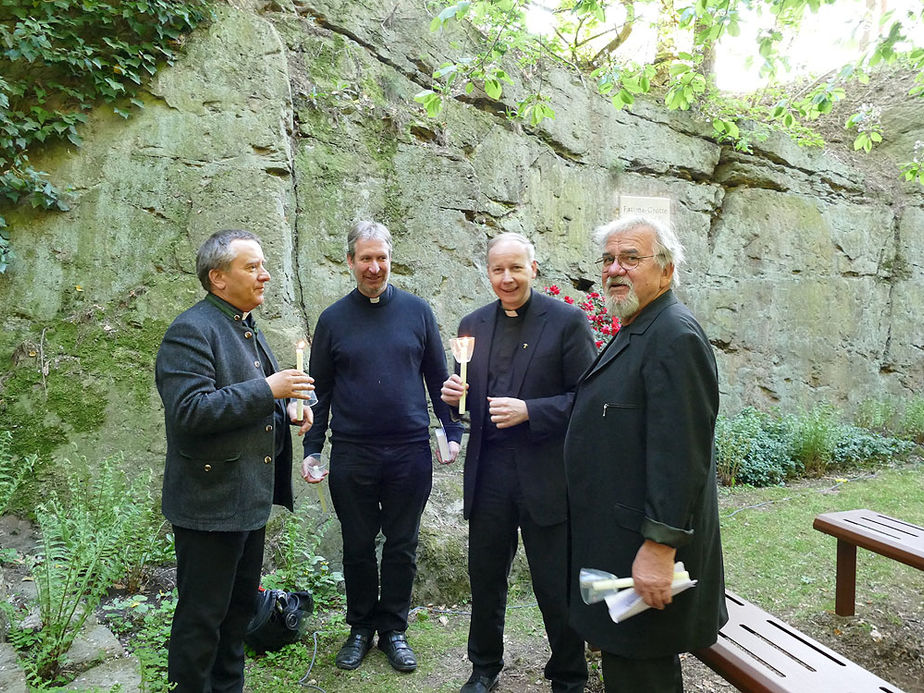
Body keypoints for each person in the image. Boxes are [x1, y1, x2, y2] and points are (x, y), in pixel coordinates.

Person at [564, 215, 727, 692]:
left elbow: (682, 456)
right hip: (620, 539)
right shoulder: (636, 326)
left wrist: (659, 548)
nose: (616, 268)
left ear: (666, 270)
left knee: (643, 672)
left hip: (647, 549)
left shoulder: (675, 337)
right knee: (628, 666)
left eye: (631, 258)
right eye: (609, 259)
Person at [156, 229, 314, 692]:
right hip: (209, 505)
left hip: (246, 499)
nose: (265, 275)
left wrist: (287, 410)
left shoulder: (244, 324)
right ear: (218, 278)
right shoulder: (191, 330)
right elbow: (190, 411)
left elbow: (245, 400)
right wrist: (270, 389)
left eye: (263, 266)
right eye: (252, 267)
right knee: (202, 620)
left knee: (238, 613)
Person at [303, 221, 463, 673]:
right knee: (356, 544)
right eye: (365, 259)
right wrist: (313, 450)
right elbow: (322, 392)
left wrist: (452, 433)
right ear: (349, 261)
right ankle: (359, 628)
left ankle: (393, 629)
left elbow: (439, 380)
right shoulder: (333, 319)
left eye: (382, 258)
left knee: (401, 543)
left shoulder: (417, 312)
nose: (375, 268)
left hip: (409, 450)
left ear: (391, 259)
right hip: (352, 451)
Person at [441, 232, 596, 693]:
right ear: (487, 272)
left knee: (555, 582)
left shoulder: (567, 321)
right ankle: (484, 664)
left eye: (515, 268)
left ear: (534, 267)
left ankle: (569, 673)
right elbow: (463, 402)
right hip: (489, 473)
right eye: (497, 270)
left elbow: (587, 400)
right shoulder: (472, 324)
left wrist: (531, 410)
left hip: (546, 474)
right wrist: (451, 400)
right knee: (486, 576)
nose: (506, 279)